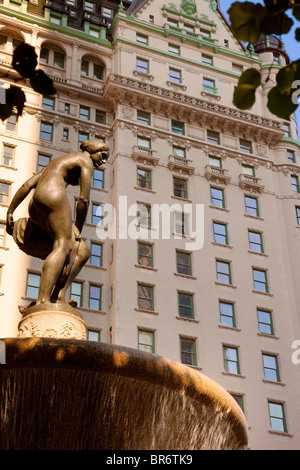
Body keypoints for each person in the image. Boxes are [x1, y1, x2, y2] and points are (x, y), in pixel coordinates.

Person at [6, 139, 109, 308]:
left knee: (82, 251)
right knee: (63, 246)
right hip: (54, 196)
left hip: (36, 202)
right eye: (103, 155)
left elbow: (28, 184)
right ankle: (42, 301)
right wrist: (78, 228)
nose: (103, 161)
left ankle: (57, 296)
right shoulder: (86, 161)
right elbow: (83, 199)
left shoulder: (57, 162)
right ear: (91, 151)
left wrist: (11, 210)